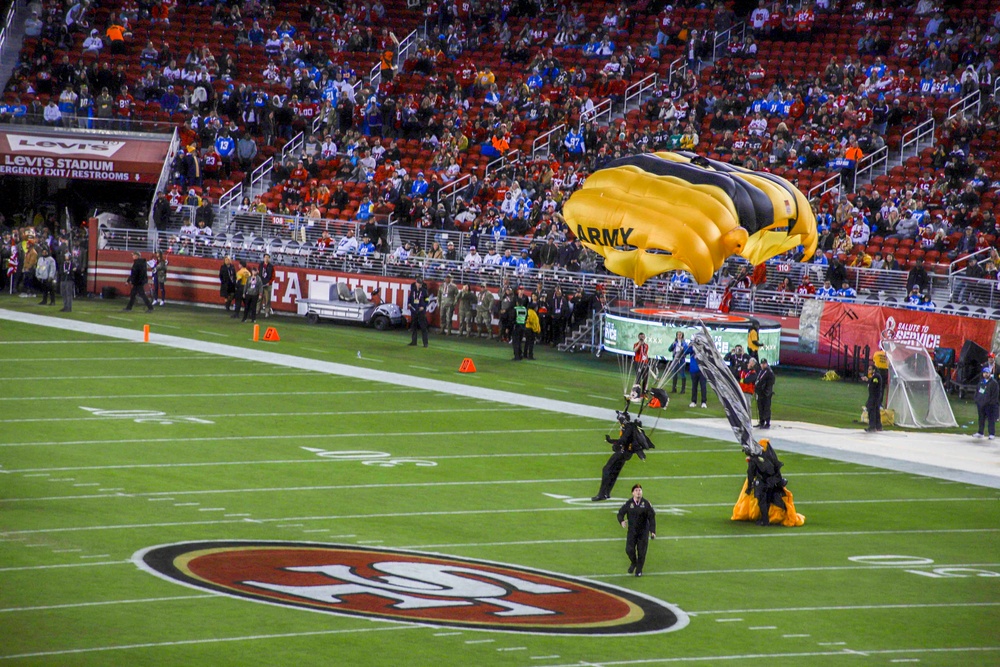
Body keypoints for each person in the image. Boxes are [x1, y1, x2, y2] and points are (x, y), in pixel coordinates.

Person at [593, 411, 647, 501]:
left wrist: (611, 441)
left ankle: (602, 494)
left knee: (606, 469)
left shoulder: (627, 428)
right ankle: (607, 493)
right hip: (626, 453)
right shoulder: (629, 427)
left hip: (623, 452)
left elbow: (622, 441)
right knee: (614, 471)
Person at [745, 439, 788, 526]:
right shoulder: (770, 456)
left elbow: (750, 474)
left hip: (763, 481)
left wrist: (749, 487)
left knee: (762, 501)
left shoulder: (755, 459)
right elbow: (777, 470)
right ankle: (765, 519)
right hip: (772, 481)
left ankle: (765, 520)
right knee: (768, 499)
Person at [617, 483, 656, 577]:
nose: (638, 492)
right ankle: (634, 562)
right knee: (629, 549)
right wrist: (621, 521)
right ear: (632, 493)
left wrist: (653, 531)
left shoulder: (646, 504)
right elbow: (620, 513)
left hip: (643, 532)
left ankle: (639, 570)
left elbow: (651, 517)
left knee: (642, 551)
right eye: (636, 490)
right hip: (632, 531)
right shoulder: (629, 503)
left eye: (640, 490)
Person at [973, 367, 999, 440]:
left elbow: (995, 395)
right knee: (981, 418)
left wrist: (991, 403)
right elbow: (977, 391)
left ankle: (991, 433)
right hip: (981, 404)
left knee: (991, 419)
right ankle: (980, 432)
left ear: (989, 373)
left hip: (989, 405)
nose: (985, 374)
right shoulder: (981, 382)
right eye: (984, 373)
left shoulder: (994, 383)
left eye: (987, 373)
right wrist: (976, 400)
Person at [407, 276, 429, 347]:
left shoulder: (424, 291)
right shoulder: (413, 290)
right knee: (414, 326)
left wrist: (423, 306)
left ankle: (425, 343)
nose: (419, 284)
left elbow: (427, 300)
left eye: (420, 283)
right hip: (414, 310)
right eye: (418, 283)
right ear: (416, 283)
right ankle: (414, 341)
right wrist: (409, 303)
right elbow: (410, 298)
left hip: (421, 311)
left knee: (423, 327)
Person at [629, 332, 650, 401]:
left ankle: (644, 393)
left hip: (645, 363)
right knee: (638, 377)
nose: (642, 338)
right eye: (640, 336)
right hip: (638, 362)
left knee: (645, 378)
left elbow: (645, 354)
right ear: (638, 337)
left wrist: (647, 360)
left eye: (643, 336)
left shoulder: (646, 345)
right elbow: (635, 350)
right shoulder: (636, 344)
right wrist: (639, 345)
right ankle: (636, 393)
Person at [754, 358, 774, 428]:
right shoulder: (761, 371)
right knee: (760, 408)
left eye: (764, 364)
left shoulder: (769, 371)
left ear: (766, 364)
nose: (763, 365)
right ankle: (761, 421)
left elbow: (771, 382)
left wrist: (766, 390)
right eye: (762, 364)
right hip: (760, 393)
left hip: (766, 394)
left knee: (766, 408)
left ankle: (767, 423)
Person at [864, 362, 883, 433]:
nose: (868, 371)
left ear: (873, 370)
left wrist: (868, 380)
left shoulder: (876, 376)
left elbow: (874, 384)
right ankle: (878, 426)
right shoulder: (874, 376)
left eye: (870, 369)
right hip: (875, 396)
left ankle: (872, 426)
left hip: (874, 396)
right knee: (876, 411)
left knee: (871, 410)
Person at [511, 294, 528, 361]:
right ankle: (520, 355)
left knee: (515, 342)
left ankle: (516, 356)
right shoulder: (525, 309)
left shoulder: (515, 309)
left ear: (517, 303)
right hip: (523, 326)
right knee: (520, 342)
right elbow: (526, 317)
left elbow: (512, 318)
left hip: (517, 326)